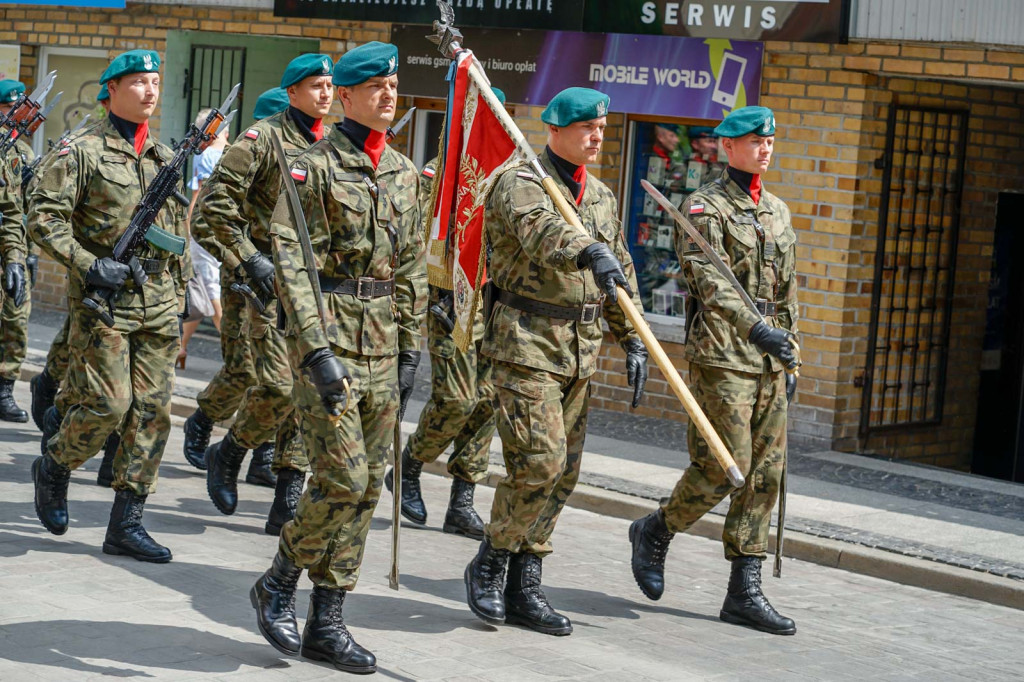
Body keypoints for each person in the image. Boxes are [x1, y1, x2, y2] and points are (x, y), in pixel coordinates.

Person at [250, 41, 424, 673]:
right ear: (345, 97)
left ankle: (327, 620)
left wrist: (412, 346)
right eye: (374, 86)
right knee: (342, 480)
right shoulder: (311, 169)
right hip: (330, 342)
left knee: (368, 490)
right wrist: (315, 351)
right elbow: (294, 268)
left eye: (393, 84)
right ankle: (278, 580)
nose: (388, 94)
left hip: (383, 344)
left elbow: (411, 268)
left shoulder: (403, 172)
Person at [463, 87, 648, 636]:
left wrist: (634, 336)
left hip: (579, 350)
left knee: (563, 473)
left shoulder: (602, 196)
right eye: (587, 127)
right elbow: (544, 235)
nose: (597, 137)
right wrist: (588, 249)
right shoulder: (521, 182)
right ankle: (491, 559)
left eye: (602, 128)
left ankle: (526, 581)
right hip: (526, 343)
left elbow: (619, 272)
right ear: (556, 129)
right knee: (539, 463)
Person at [628, 105, 800, 636]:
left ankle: (743, 591)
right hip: (723, 353)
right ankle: (656, 529)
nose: (764, 149)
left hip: (770, 358)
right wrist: (756, 329)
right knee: (728, 466)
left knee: (766, 474)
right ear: (727, 147)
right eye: (754, 141)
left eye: (769, 141)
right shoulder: (703, 208)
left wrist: (791, 350)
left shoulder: (777, 211)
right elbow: (708, 281)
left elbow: (788, 291)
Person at [27, 49, 190, 562]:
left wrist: (181, 294)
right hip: (104, 304)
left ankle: (127, 524)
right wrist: (88, 263)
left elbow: (175, 233)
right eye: (138, 81)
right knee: (108, 406)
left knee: (153, 413)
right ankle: (54, 466)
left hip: (157, 302)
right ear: (112, 89)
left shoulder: (164, 157)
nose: (149, 90)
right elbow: (43, 218)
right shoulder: (82, 150)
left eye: (155, 81)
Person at [195, 56, 335, 530]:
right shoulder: (262, 139)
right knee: (277, 385)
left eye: (329, 85)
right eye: (315, 85)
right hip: (266, 284)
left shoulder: (334, 145)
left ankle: (287, 495)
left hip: (317, 289)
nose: (325, 93)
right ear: (292, 91)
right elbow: (213, 208)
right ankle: (230, 450)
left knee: (310, 390)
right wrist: (248, 259)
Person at [383, 86, 508, 541]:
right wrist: (428, 298)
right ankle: (410, 465)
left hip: (495, 305)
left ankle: (462, 502)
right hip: (449, 301)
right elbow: (418, 240)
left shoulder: (510, 176)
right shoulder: (441, 175)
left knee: (487, 402)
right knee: (457, 399)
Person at [183, 87, 290, 489]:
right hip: (244, 286)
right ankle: (202, 420)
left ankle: (264, 457)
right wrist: (243, 262)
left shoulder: (304, 165)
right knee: (245, 369)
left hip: (288, 286)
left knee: (284, 376)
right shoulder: (245, 159)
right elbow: (202, 223)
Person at [178, 107, 228, 369]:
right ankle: (186, 346)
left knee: (208, 288)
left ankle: (229, 349)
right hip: (225, 230)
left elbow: (198, 197)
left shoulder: (206, 156)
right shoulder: (231, 154)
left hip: (205, 231)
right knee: (206, 289)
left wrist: (188, 230)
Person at [0, 79, 34, 422]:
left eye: (17, 108)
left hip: (11, 250)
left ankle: (5, 391)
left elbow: (20, 210)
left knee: (16, 321)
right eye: (8, 108)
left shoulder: (19, 152)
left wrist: (24, 255)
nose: (15, 114)